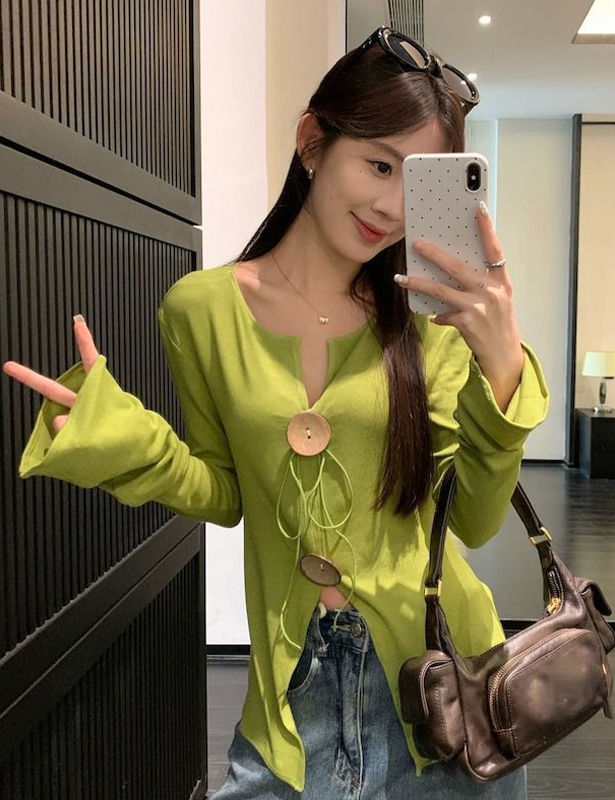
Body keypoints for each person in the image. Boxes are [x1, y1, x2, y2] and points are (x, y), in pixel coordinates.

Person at [4, 26, 549, 799]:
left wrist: (502, 371)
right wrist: (129, 446)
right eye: (379, 165)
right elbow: (228, 491)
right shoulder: (201, 310)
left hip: (444, 694)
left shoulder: (432, 326)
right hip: (295, 697)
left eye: (417, 181)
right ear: (312, 143)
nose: (392, 207)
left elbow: (476, 521)